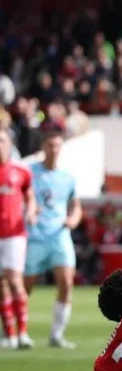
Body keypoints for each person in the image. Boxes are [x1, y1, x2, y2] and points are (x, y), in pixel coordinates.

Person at [25, 130, 81, 349]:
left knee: (66, 282)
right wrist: (28, 210)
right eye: (50, 145)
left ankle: (57, 335)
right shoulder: (30, 172)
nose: (54, 150)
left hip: (60, 236)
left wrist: (73, 219)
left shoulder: (67, 177)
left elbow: (75, 205)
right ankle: (13, 329)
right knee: (24, 287)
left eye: (57, 145)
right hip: (35, 235)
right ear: (43, 147)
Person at [0, 128, 36, 350]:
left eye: (2, 140)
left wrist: (31, 211)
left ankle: (22, 332)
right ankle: (9, 334)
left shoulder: (21, 170)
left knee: (14, 280)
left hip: (14, 234)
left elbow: (30, 196)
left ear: (9, 143)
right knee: (1, 284)